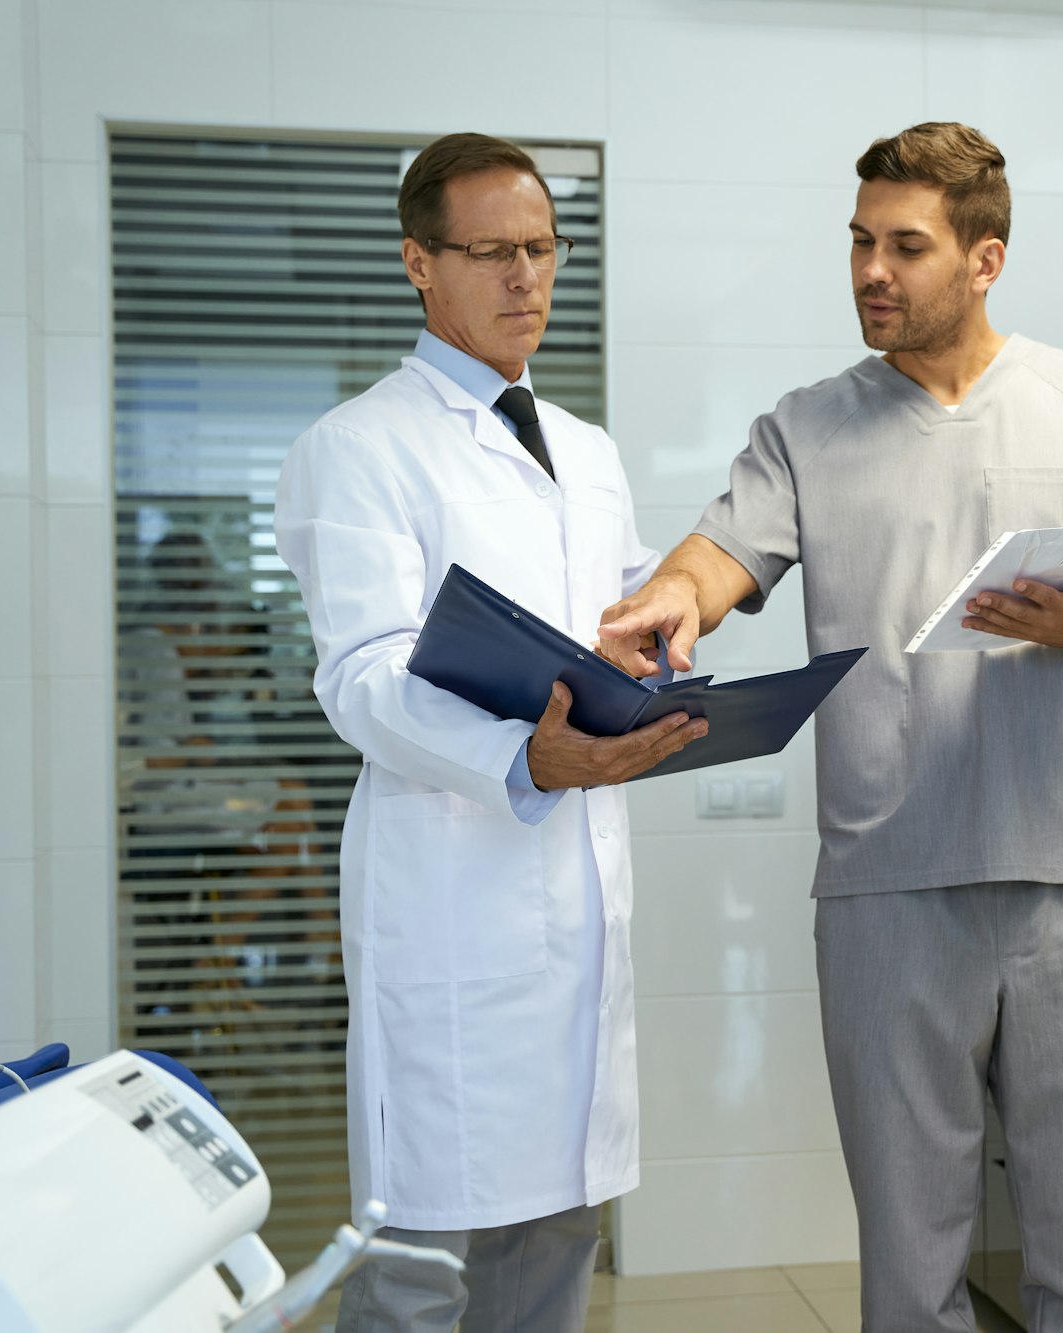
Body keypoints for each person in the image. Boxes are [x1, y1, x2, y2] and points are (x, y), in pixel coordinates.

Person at [598, 122, 1063, 1333]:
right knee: (908, 1260)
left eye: (906, 246)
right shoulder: (806, 425)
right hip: (886, 886)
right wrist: (673, 596)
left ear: (983, 259)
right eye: (860, 242)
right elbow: (718, 556)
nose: (871, 270)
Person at [273, 132, 706, 1333]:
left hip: (575, 900)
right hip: (452, 895)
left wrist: (659, 659)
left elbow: (617, 619)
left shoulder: (587, 451)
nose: (526, 278)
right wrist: (521, 757)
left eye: (541, 250)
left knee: (558, 1234)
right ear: (419, 263)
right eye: (491, 253)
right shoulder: (354, 450)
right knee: (425, 1261)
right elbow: (362, 675)